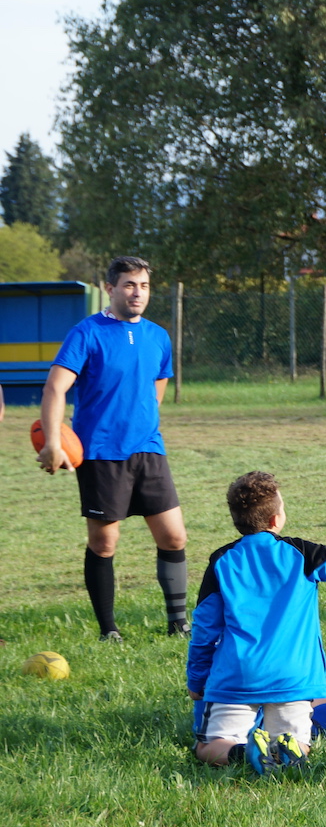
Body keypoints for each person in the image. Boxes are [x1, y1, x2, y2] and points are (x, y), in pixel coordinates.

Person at [188, 472, 326, 771]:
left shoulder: (221, 561)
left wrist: (197, 680)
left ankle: (243, 753)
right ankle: (282, 752)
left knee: (209, 746)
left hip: (236, 677)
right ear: (275, 519)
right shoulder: (302, 554)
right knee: (297, 744)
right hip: (292, 678)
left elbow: (204, 629)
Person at [37, 256, 189, 641]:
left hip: (149, 450)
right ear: (110, 288)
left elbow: (158, 384)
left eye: (144, 286)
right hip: (102, 452)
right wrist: (54, 442)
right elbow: (55, 387)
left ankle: (178, 623)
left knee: (173, 537)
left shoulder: (158, 335)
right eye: (129, 285)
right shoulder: (86, 333)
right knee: (104, 542)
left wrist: (142, 422)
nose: (137, 293)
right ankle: (109, 630)